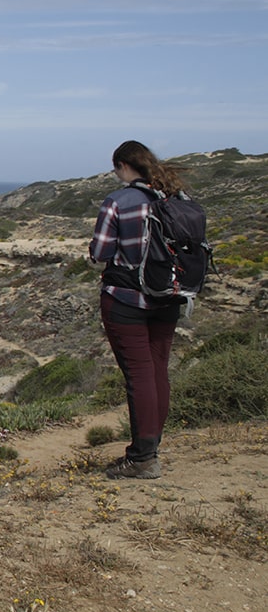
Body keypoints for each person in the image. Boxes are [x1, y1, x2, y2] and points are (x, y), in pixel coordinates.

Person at [88, 140, 187, 479]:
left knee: (139, 374)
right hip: (169, 297)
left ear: (123, 166)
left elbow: (101, 251)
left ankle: (143, 458)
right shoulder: (174, 198)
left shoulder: (120, 201)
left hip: (127, 298)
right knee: (158, 370)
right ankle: (149, 449)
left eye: (117, 169)